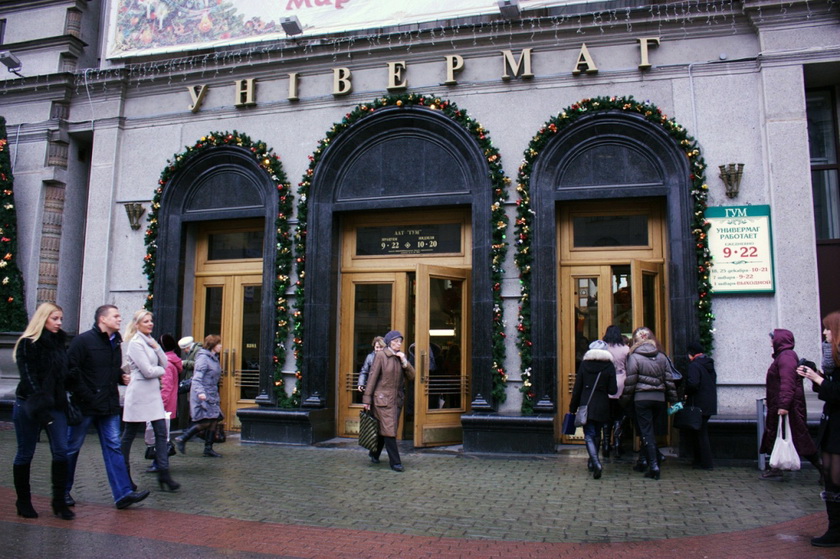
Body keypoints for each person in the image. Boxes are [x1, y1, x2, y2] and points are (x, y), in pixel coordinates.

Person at [65, 304, 150, 509]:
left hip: (108, 405)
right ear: (102, 319)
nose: (120, 319)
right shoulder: (82, 341)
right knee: (71, 447)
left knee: (113, 446)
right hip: (85, 406)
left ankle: (123, 494)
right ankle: (62, 491)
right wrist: (87, 395)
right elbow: (71, 372)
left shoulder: (115, 342)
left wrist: (120, 377)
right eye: (116, 316)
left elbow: (107, 370)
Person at [11, 303, 75, 520]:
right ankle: (23, 501)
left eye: (60, 319)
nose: (59, 323)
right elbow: (28, 377)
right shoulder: (28, 344)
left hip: (55, 405)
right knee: (25, 452)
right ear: (43, 318)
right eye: (55, 318)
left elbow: (64, 375)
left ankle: (59, 502)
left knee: (61, 450)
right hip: (29, 404)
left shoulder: (59, 343)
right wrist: (40, 405)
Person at [120, 311, 180, 492]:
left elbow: (165, 362)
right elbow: (148, 371)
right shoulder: (135, 344)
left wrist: (157, 348)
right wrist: (160, 370)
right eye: (146, 321)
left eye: (151, 320)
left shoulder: (150, 341)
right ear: (137, 324)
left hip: (153, 393)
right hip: (139, 393)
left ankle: (164, 473)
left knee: (161, 433)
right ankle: (123, 475)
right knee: (129, 435)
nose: (150, 323)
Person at [798, 311, 840, 547]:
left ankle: (836, 532)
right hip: (832, 431)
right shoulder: (833, 360)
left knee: (835, 482)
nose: (824, 332)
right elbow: (830, 388)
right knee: (832, 482)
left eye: (828, 328)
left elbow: (837, 392)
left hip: (838, 435)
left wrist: (818, 378)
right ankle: (835, 529)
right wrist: (815, 376)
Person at [759, 328, 820, 480]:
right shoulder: (784, 356)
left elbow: (788, 382)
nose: (770, 343)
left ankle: (824, 469)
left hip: (790, 408)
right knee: (779, 434)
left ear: (778, 340)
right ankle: (775, 468)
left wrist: (784, 406)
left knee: (800, 439)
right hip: (784, 405)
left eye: (772, 339)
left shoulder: (786, 356)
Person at [621, 326, 677, 480]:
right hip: (659, 399)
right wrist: (674, 400)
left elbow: (631, 381)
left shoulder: (634, 357)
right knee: (651, 431)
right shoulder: (662, 356)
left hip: (641, 398)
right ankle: (644, 460)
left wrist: (624, 400)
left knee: (646, 432)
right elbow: (669, 380)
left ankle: (653, 466)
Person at [362, 330, 416, 472]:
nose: (399, 344)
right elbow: (372, 377)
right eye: (396, 341)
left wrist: (404, 361)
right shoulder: (381, 355)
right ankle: (395, 462)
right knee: (389, 430)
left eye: (400, 341)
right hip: (382, 400)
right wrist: (367, 399)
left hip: (396, 400)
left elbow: (412, 376)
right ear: (389, 342)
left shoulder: (399, 356)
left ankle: (374, 453)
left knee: (385, 428)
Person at [569, 340, 617, 479]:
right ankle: (593, 461)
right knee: (597, 433)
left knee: (589, 434)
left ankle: (595, 463)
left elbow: (577, 388)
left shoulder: (584, 365)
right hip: (602, 404)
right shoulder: (609, 365)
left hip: (586, 404)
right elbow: (613, 390)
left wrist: (573, 407)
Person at [174, 335, 224, 457]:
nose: (221, 346)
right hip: (204, 394)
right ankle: (183, 438)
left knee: (214, 419)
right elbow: (197, 378)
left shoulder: (213, 358)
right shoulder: (203, 358)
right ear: (212, 345)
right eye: (218, 344)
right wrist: (201, 392)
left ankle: (208, 448)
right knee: (206, 420)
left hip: (211, 393)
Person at [145, 333, 181, 473]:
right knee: (161, 434)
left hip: (162, 406)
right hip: (167, 405)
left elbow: (165, 387)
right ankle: (159, 462)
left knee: (158, 435)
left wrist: (159, 404)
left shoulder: (166, 364)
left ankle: (159, 462)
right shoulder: (172, 361)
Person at [684, 341, 718, 470]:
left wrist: (686, 392)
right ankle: (699, 461)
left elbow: (693, 383)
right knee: (700, 432)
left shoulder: (694, 365)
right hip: (709, 403)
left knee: (700, 433)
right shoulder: (708, 364)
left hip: (698, 403)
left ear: (691, 354)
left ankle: (706, 463)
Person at [602, 325, 629, 459]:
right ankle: (618, 444)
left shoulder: (604, 348)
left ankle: (606, 444)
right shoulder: (625, 349)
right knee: (619, 414)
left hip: (606, 382)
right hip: (622, 381)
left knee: (607, 416)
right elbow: (629, 366)